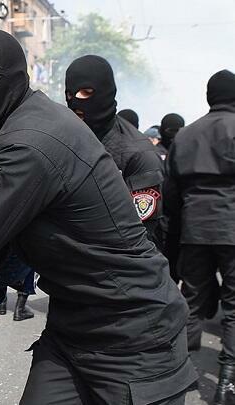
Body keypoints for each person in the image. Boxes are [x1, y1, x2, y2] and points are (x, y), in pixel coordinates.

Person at [0, 28, 196, 404]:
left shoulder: (30, 142)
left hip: (133, 336)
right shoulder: (26, 121)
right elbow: (2, 203)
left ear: (9, 79)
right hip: (72, 328)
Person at [164, 69, 235, 405]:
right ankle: (226, 383)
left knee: (190, 300)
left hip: (194, 228)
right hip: (231, 228)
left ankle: (180, 373)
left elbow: (171, 192)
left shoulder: (186, 134)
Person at [65, 55, 166, 250]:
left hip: (116, 259)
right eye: (70, 94)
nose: (76, 101)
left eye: (86, 93)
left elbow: (140, 232)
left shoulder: (139, 154)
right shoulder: (66, 137)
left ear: (106, 92)